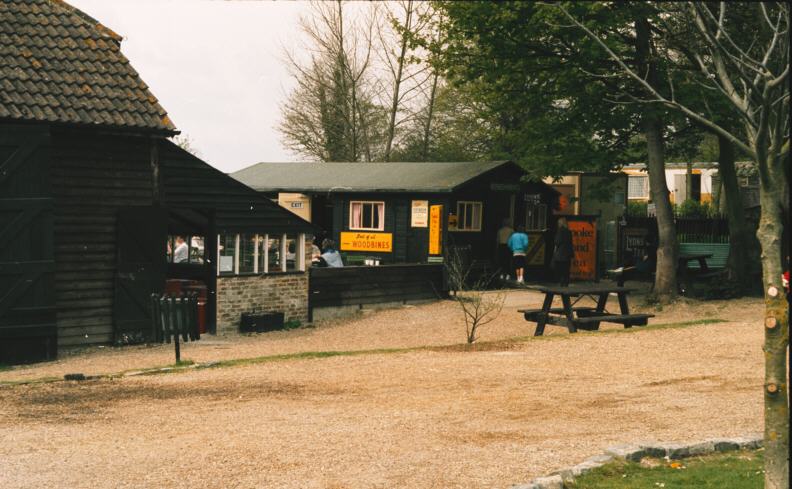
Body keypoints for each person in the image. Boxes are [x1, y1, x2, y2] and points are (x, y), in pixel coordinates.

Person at [552, 218, 574, 287]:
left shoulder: (560, 231)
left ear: (560, 224)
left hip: (560, 254)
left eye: (558, 223)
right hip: (567, 254)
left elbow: (557, 243)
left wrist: (554, 253)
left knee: (560, 270)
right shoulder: (569, 232)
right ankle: (566, 283)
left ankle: (561, 283)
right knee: (566, 270)